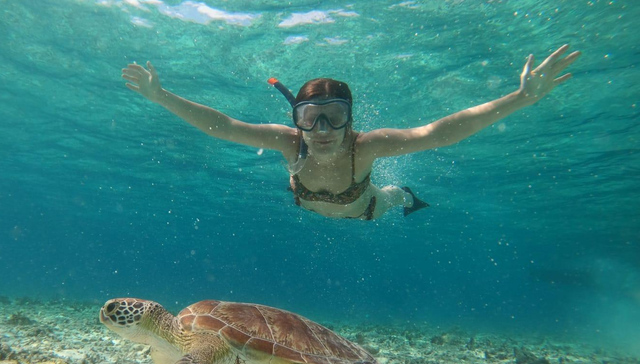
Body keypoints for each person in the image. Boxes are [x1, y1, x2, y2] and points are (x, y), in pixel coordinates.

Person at [121, 45, 580, 221]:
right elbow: (225, 127)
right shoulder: (288, 142)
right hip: (308, 200)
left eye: (334, 116)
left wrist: (519, 99)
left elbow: (440, 132)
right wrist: (162, 96)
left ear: (351, 119)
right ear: (296, 118)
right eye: (310, 117)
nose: (321, 130)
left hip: (367, 208)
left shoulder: (368, 146)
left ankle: (405, 195)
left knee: (394, 198)